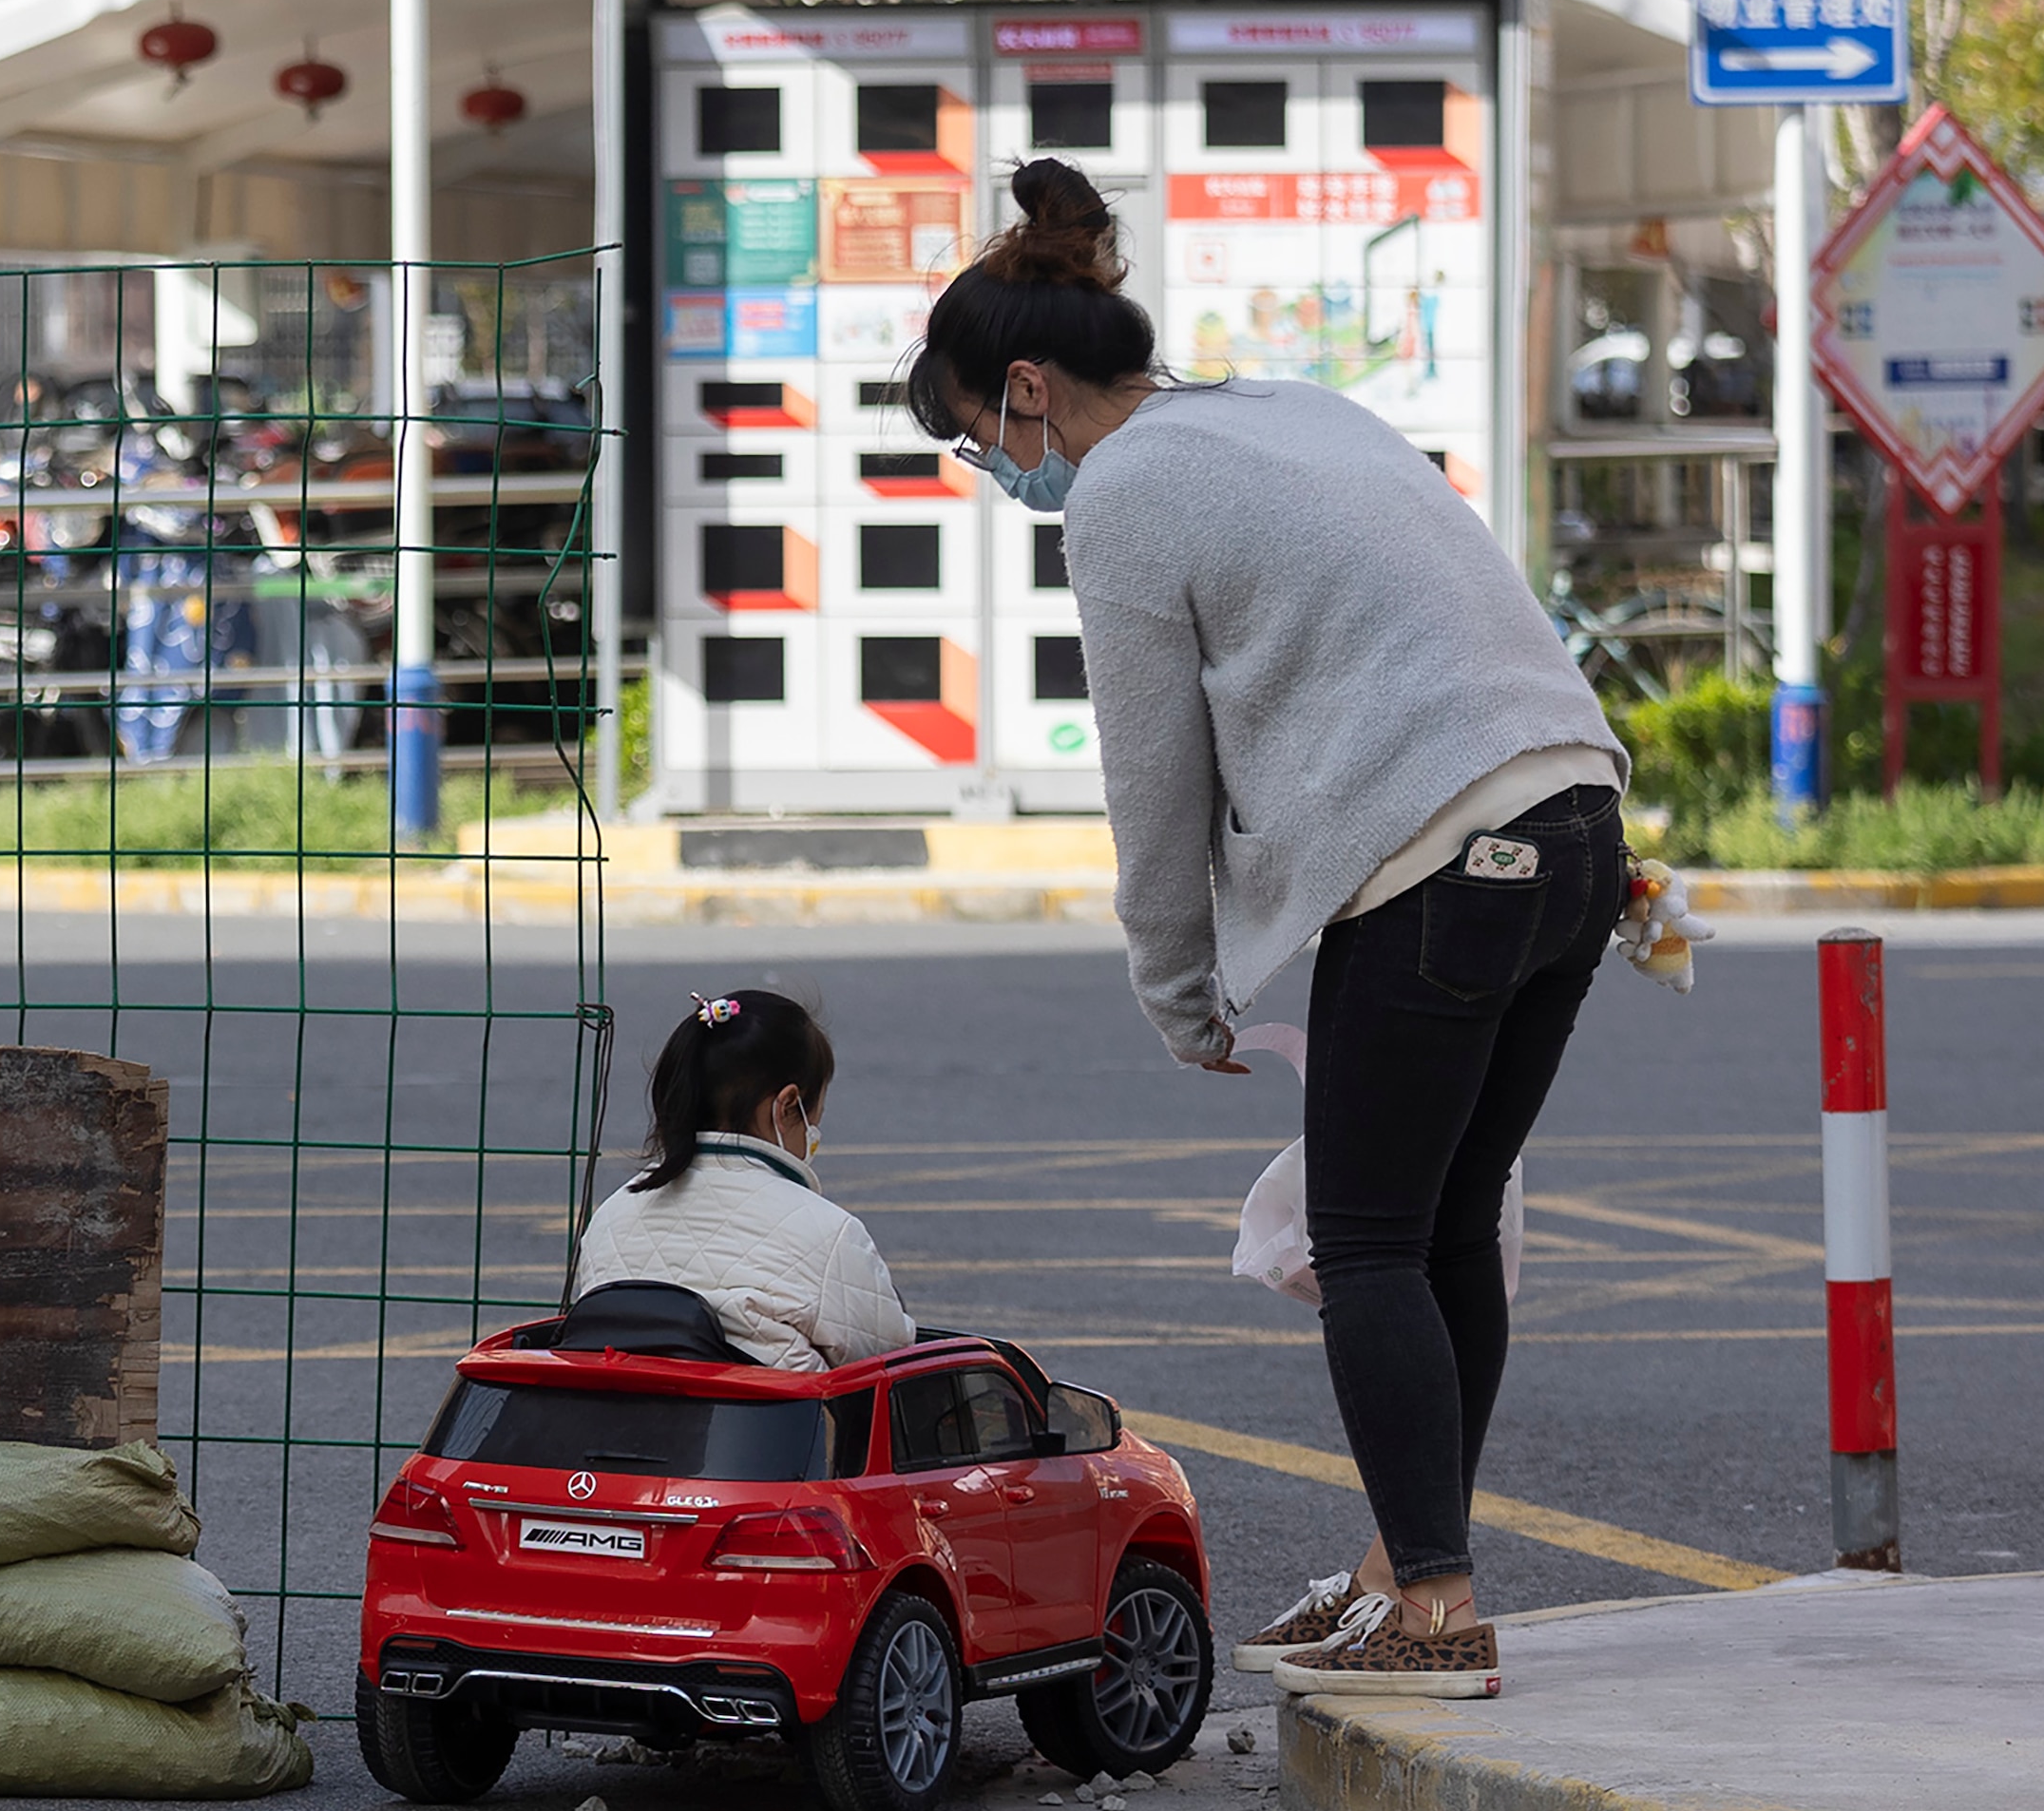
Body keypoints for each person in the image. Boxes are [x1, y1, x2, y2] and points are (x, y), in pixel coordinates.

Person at [902, 161, 1629, 1704]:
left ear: (1029, 387)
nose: (1005, 477)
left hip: (1436, 853)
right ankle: (1399, 1573)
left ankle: (1432, 1603)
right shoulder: (1292, 408)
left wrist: (1178, 991)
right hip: (1575, 819)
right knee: (1443, 1226)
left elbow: (1151, 773)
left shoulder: (1124, 492)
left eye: (983, 445)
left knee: (1368, 1241)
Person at [575, 989, 913, 1374]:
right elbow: (892, 1356)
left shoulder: (613, 1215)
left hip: (620, 1428)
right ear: (787, 1105)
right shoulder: (828, 1234)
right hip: (767, 1433)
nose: (815, 1129)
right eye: (813, 1115)